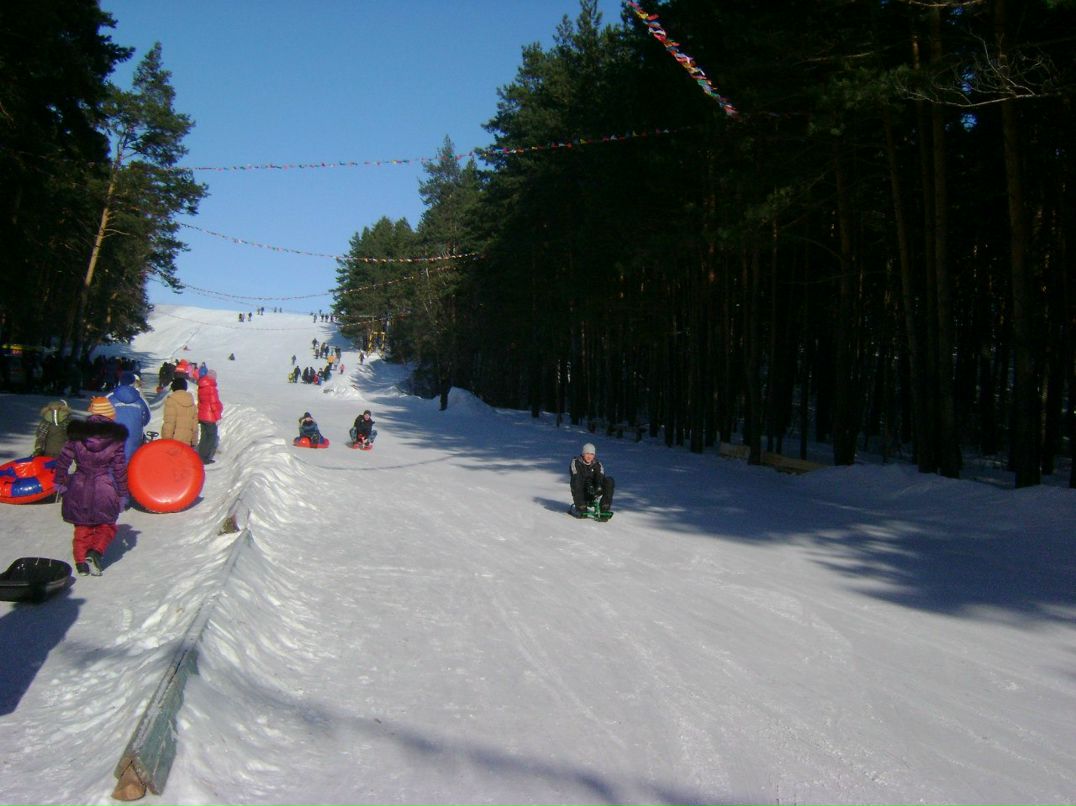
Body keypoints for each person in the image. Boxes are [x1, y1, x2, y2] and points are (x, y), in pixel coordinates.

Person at [52, 397, 129, 576]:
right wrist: (123, 493)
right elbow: (119, 468)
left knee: (82, 525)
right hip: (104, 485)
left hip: (79, 484)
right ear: (110, 416)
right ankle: (95, 552)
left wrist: (60, 481)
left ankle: (80, 563)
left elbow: (64, 458)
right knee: (107, 524)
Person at [107, 371, 151, 467]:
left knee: (112, 466)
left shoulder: (110, 398)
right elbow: (146, 419)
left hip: (112, 437)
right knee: (130, 465)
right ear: (133, 382)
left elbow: (100, 417)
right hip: (134, 437)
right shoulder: (140, 400)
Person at [569, 442, 614, 518]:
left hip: (594, 489)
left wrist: (598, 486)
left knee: (609, 481)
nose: (589, 456)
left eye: (592, 454)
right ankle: (581, 507)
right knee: (576, 480)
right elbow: (575, 475)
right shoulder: (576, 462)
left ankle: (604, 507)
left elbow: (600, 475)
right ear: (583, 454)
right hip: (581, 490)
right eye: (587, 453)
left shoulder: (597, 464)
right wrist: (587, 485)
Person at [161, 377, 199, 449]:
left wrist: (166, 440)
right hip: (187, 442)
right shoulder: (191, 402)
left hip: (173, 442)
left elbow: (169, 423)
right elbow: (195, 425)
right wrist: (194, 442)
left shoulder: (171, 401)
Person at [196, 368, 224, 464]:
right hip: (210, 416)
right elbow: (213, 403)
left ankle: (201, 455)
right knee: (211, 437)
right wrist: (218, 417)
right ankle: (205, 457)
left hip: (202, 415)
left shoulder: (201, 386)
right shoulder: (211, 387)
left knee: (204, 436)